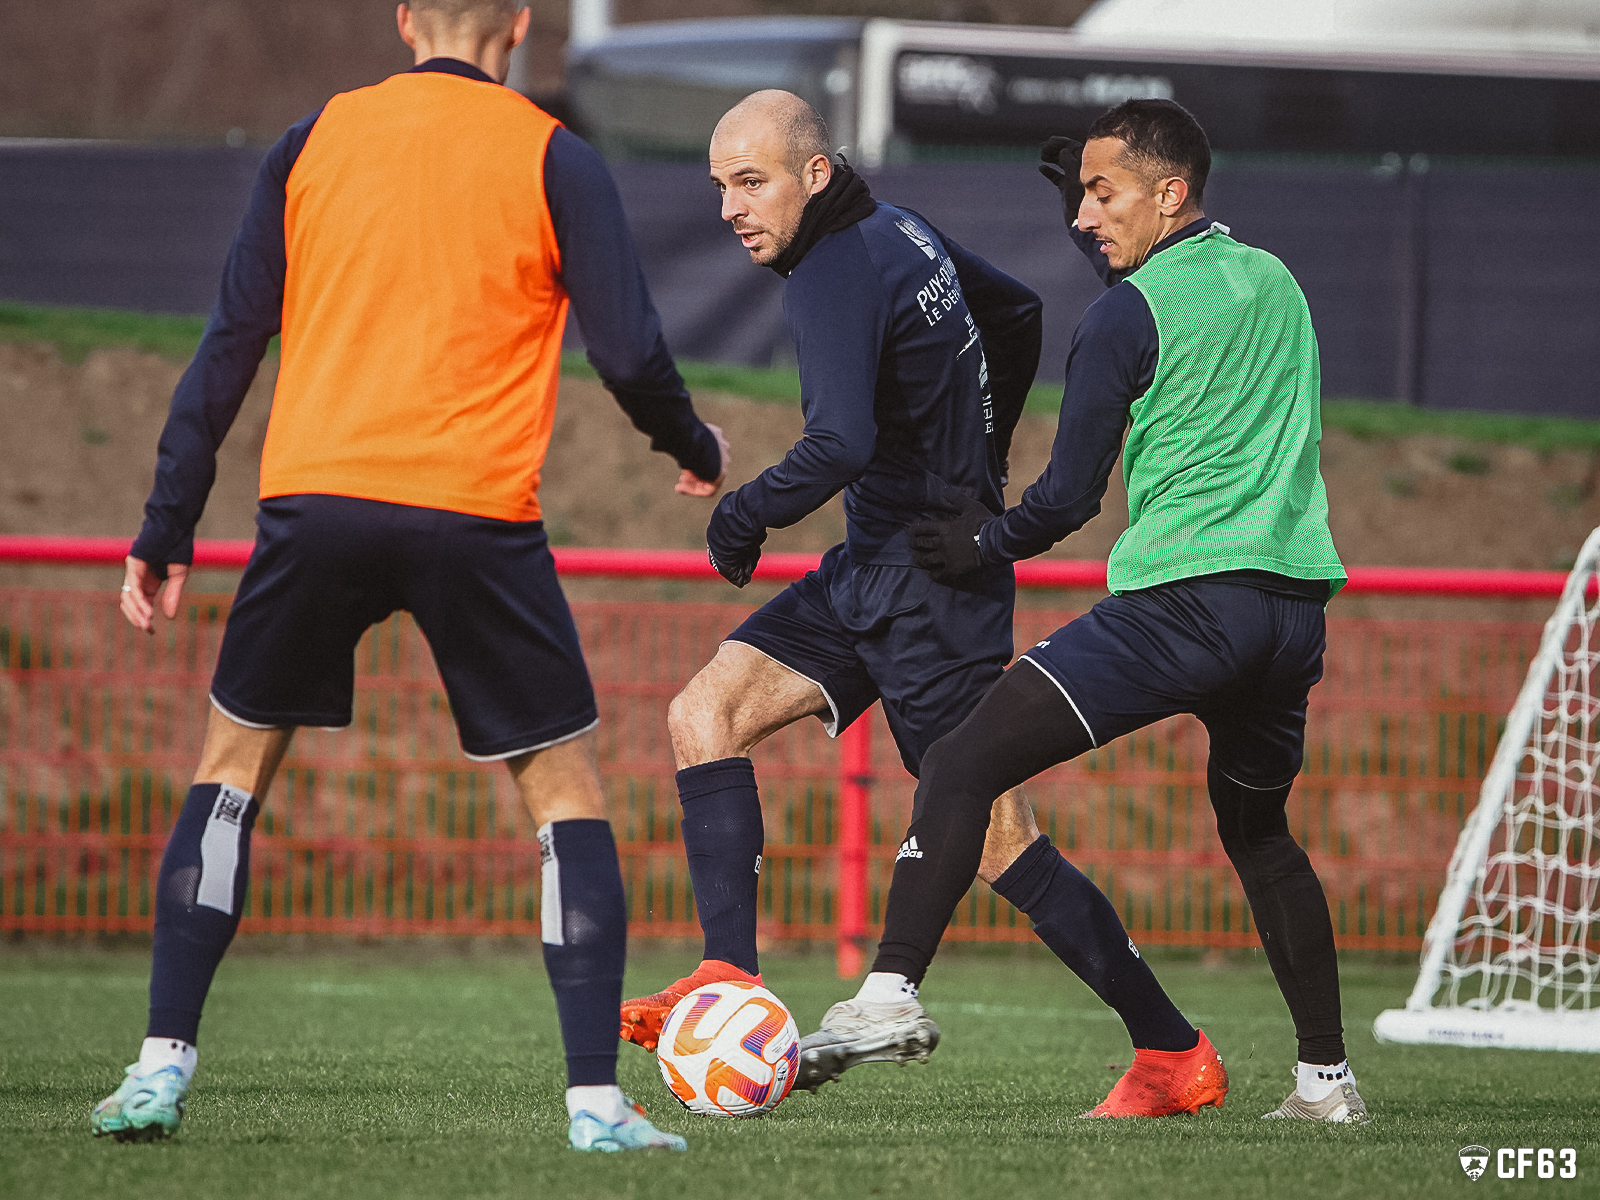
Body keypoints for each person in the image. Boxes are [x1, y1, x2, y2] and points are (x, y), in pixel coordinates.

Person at [90, 0, 726, 1152]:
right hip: (472, 512)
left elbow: (230, 341)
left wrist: (167, 520)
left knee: (228, 777)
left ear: (403, 19)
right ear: (518, 24)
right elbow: (630, 353)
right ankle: (594, 1104)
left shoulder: (313, 139)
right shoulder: (555, 155)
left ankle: (156, 1069)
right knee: (565, 797)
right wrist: (693, 445)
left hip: (315, 502)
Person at [807, 98, 1370, 1125]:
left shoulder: (1119, 318)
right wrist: (1109, 210)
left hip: (1183, 608)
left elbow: (1067, 499)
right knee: (1261, 839)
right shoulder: (1274, 280)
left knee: (961, 763)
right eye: (1079, 196)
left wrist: (980, 542)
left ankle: (887, 993)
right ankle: (1326, 1084)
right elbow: (1176, 311)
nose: (1081, 215)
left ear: (1171, 192)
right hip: (1290, 618)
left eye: (1103, 194)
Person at [614, 90, 1047, 1081]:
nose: (730, 207)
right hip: (871, 569)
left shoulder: (830, 269)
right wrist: (979, 469)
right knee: (703, 714)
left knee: (994, 835)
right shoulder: (900, 228)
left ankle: (1168, 1045)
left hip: (930, 586)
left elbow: (839, 444)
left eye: (750, 182)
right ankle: (727, 973)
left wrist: (742, 513)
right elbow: (1018, 312)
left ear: (815, 175)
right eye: (719, 186)